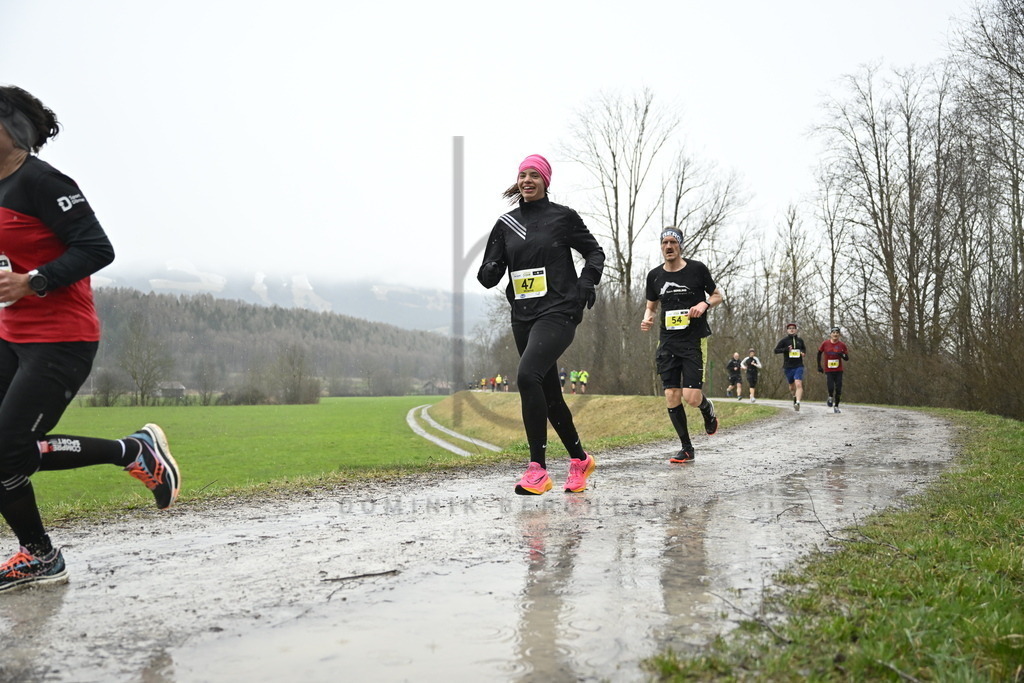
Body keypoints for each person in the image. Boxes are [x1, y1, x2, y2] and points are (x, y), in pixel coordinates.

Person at [0, 85, 180, 592]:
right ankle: (132, 452)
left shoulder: (43, 181)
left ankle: (42, 553)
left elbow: (97, 248)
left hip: (61, 339)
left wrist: (34, 281)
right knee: (5, 450)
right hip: (11, 335)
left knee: (7, 450)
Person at [477, 154, 603, 495]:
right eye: (522, 175)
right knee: (549, 395)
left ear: (546, 181)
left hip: (559, 310)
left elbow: (594, 252)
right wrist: (490, 270)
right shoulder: (506, 223)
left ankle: (538, 469)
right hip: (524, 316)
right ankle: (579, 460)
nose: (527, 180)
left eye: (534, 175)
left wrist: (587, 281)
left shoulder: (563, 217)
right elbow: (488, 275)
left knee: (526, 376)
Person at [640, 227, 723, 464]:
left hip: (693, 340)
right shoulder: (654, 276)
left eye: (673, 242)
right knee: (671, 395)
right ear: (661, 247)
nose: (668, 247)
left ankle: (707, 409)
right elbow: (651, 305)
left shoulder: (697, 269)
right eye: (664, 243)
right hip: (668, 342)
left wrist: (704, 304)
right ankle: (687, 448)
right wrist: (647, 318)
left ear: (680, 246)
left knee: (691, 397)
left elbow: (717, 295)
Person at [773, 322, 807, 411]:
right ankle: (794, 396)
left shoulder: (800, 340)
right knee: (792, 387)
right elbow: (776, 350)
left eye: (793, 328)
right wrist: (786, 349)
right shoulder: (784, 341)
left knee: (798, 383)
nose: (792, 329)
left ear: (796, 330)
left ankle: (798, 403)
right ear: (787, 330)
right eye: (790, 328)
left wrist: (803, 353)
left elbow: (803, 349)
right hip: (788, 366)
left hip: (799, 365)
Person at [817, 326, 850, 413]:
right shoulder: (825, 343)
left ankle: (836, 406)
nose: (835, 334)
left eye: (837, 333)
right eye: (833, 333)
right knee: (831, 387)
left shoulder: (842, 345)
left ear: (839, 335)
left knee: (838, 388)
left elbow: (847, 358)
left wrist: (842, 355)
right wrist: (819, 366)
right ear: (830, 334)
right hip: (829, 370)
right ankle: (830, 396)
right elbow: (819, 354)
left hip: (839, 370)